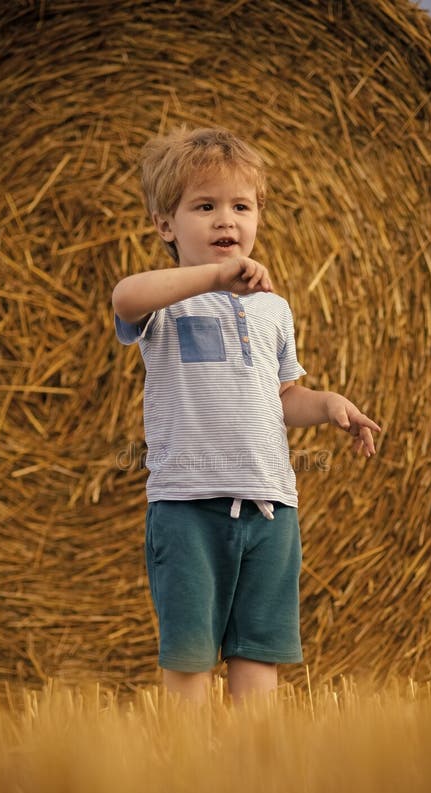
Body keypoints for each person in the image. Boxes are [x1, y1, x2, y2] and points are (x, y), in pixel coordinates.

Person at [112, 125, 380, 704]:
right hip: (188, 506)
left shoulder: (273, 310)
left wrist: (331, 405)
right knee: (189, 656)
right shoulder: (165, 302)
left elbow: (282, 397)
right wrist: (211, 277)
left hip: (271, 508)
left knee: (259, 654)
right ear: (165, 224)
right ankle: (187, 773)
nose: (225, 220)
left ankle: (251, 775)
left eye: (240, 206)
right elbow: (123, 297)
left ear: (258, 216)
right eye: (204, 206)